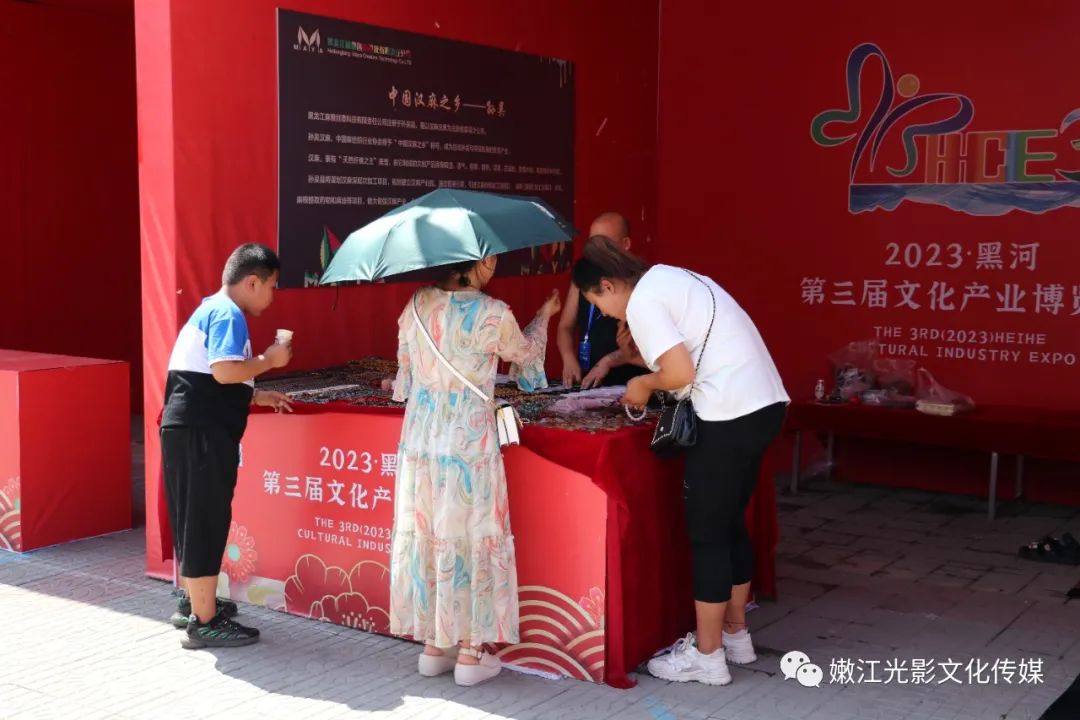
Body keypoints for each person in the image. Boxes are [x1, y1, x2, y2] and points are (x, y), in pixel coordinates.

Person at [572, 243, 789, 687]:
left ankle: (707, 658)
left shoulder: (644, 301)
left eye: (598, 303)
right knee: (729, 523)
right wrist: (636, 360)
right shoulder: (669, 277)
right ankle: (735, 635)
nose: (607, 315)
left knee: (707, 536)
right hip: (763, 407)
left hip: (727, 415)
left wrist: (641, 384)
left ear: (608, 286)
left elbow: (680, 374)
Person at [389, 256, 561, 687]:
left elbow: (404, 373)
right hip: (468, 440)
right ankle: (470, 650)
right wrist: (544, 316)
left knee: (431, 532)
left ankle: (434, 645)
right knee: (472, 532)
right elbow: (527, 363)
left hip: (422, 437)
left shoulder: (416, 305)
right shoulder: (493, 313)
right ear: (481, 260)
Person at [161, 243, 294, 649]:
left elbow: (206, 377)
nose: (272, 296)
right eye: (272, 286)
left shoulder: (210, 309)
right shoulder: (228, 314)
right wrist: (270, 361)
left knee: (193, 519)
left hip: (188, 428)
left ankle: (193, 603)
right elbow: (223, 371)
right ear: (252, 282)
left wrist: (256, 395)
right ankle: (204, 622)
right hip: (202, 433)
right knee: (205, 520)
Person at [557, 213, 648, 388]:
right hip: (591, 377)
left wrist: (609, 360)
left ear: (625, 244)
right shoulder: (585, 277)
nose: (595, 252)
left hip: (633, 380)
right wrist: (568, 357)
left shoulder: (640, 283)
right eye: (593, 243)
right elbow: (565, 326)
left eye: (604, 244)